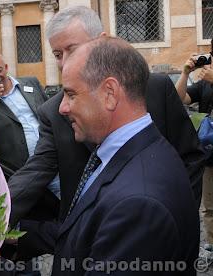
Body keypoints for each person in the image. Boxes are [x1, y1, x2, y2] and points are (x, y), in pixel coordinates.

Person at [9, 5, 205, 229]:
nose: (63, 62)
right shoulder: (54, 112)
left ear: (101, 41)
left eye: (72, 50)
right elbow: (35, 173)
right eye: (57, 54)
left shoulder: (156, 89)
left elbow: (190, 158)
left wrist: (178, 218)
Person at [51, 36, 199, 276]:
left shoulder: (137, 205)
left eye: (70, 94)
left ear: (110, 93)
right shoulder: (145, 149)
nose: (63, 108)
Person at [0, 51, 48, 172]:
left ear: (6, 68)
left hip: (52, 159)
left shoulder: (31, 83)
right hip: (22, 171)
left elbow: (48, 113)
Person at [175, 49, 213, 252]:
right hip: (210, 152)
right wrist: (185, 73)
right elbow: (181, 98)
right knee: (209, 207)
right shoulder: (204, 82)